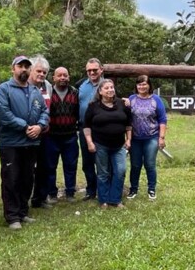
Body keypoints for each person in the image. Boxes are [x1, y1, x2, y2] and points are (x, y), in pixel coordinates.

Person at [0, 56, 49, 230]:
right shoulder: (4, 89)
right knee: (11, 178)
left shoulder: (34, 90)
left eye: (27, 66)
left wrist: (40, 126)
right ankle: (12, 216)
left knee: (27, 178)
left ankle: (23, 212)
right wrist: (25, 126)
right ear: (13, 69)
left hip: (31, 143)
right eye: (20, 66)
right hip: (11, 143)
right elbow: (3, 113)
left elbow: (45, 111)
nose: (23, 69)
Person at [83, 79, 132, 208]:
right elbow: (86, 126)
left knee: (120, 171)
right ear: (100, 91)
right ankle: (103, 200)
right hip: (100, 145)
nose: (110, 90)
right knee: (103, 173)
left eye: (112, 87)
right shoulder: (93, 106)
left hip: (119, 146)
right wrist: (89, 142)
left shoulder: (123, 104)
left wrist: (128, 139)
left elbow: (128, 125)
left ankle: (115, 199)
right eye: (106, 88)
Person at [127, 75, 168, 200]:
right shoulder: (131, 99)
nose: (141, 87)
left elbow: (162, 119)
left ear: (149, 85)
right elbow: (126, 118)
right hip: (135, 139)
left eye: (144, 84)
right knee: (135, 165)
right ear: (136, 86)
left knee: (150, 164)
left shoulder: (156, 99)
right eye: (139, 84)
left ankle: (151, 189)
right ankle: (133, 189)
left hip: (151, 137)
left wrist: (161, 137)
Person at [46, 66, 80, 203]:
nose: (62, 78)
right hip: (51, 136)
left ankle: (70, 192)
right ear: (53, 78)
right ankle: (52, 193)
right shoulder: (48, 92)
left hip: (70, 135)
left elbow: (78, 112)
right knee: (50, 166)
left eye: (65, 75)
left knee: (71, 165)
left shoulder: (75, 93)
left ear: (69, 77)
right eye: (59, 75)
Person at [29, 56, 54, 209]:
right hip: (29, 133)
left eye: (44, 72)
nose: (41, 75)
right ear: (31, 70)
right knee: (27, 168)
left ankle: (40, 198)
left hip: (46, 133)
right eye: (38, 71)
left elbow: (48, 108)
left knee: (45, 166)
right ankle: (22, 198)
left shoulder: (47, 86)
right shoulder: (25, 85)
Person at [77, 58, 103, 200]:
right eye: (89, 70)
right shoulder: (81, 85)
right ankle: (90, 190)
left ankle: (103, 189)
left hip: (102, 129)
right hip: (83, 128)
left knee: (102, 160)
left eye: (95, 70)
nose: (92, 72)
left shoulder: (107, 85)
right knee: (87, 161)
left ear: (101, 70)